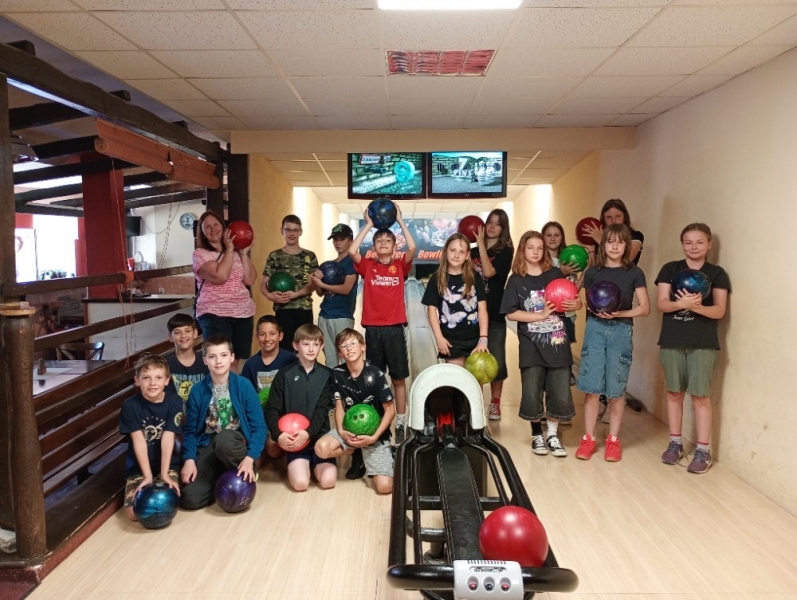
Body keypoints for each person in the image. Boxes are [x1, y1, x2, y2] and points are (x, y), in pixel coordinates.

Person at [655, 223, 730, 474]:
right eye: (688, 242)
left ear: (709, 244)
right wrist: (681, 304)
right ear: (682, 244)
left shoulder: (717, 273)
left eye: (699, 242)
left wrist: (695, 307)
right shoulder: (670, 269)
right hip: (672, 340)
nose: (694, 247)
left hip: (703, 343)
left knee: (700, 396)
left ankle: (703, 450)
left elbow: (719, 310)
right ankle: (675, 443)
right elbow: (662, 303)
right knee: (674, 393)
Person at [500, 231, 582, 458]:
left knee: (560, 392)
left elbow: (575, 300)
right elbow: (511, 313)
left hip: (558, 344)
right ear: (522, 250)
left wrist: (577, 305)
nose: (535, 252)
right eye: (530, 247)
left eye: (539, 247)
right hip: (531, 346)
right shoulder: (516, 280)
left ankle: (553, 435)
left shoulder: (555, 274)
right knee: (532, 393)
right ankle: (537, 434)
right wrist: (540, 315)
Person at [575, 224, 650, 462]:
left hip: (621, 330)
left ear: (626, 245)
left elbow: (644, 308)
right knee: (592, 390)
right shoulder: (593, 272)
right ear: (603, 245)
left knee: (616, 391)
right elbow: (586, 302)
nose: (615, 246)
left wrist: (619, 314)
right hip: (595, 329)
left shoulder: (634, 272)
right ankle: (588, 439)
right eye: (610, 241)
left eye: (620, 242)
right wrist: (594, 309)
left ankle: (613, 441)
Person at [349, 203, 416, 445]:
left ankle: (401, 420)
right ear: (374, 247)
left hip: (395, 329)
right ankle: (377, 417)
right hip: (373, 330)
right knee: (375, 378)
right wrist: (369, 224)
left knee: (398, 378)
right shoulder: (368, 266)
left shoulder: (400, 266)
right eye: (379, 241)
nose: (384, 242)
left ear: (394, 246)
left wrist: (399, 220)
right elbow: (352, 250)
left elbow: (412, 247)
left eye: (388, 240)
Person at [180, 334, 266, 509]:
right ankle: (220, 476)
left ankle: (245, 470)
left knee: (224, 439)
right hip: (209, 444)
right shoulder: (197, 391)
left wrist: (250, 458)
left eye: (223, 355)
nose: (218, 361)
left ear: (232, 357)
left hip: (234, 442)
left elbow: (259, 427)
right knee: (190, 498)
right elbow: (190, 431)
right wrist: (189, 459)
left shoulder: (244, 386)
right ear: (205, 360)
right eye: (212, 356)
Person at [315, 329, 395, 492]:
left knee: (385, 487)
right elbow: (339, 406)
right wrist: (342, 431)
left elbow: (390, 410)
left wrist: (374, 437)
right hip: (349, 429)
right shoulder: (337, 374)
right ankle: (357, 451)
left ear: (363, 347)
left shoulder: (376, 374)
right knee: (321, 449)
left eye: (353, 343)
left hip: (374, 433)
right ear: (340, 353)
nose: (349, 348)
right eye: (344, 346)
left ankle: (385, 453)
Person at [264, 324, 336, 492]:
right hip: (294, 440)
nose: (311, 349)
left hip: (319, 438)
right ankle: (302, 465)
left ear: (321, 346)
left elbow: (322, 410)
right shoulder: (284, 374)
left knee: (328, 482)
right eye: (305, 344)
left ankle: (316, 464)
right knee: (300, 484)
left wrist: (308, 433)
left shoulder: (327, 375)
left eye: (315, 344)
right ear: (296, 345)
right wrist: (278, 435)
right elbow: (272, 408)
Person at [120, 355, 183, 521]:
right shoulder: (130, 405)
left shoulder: (175, 401)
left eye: (159, 378)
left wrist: (164, 473)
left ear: (167, 380)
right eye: (146, 378)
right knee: (135, 514)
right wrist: (147, 476)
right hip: (139, 467)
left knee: (168, 504)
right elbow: (139, 442)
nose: (153, 383)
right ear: (137, 380)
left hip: (167, 465)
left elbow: (168, 438)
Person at [193, 210, 256, 370]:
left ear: (224, 227)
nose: (213, 229)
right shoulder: (201, 254)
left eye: (216, 224)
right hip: (215, 314)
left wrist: (244, 253)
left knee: (234, 361)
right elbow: (221, 276)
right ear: (202, 232)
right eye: (207, 227)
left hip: (243, 313)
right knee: (218, 361)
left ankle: (232, 387)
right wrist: (228, 250)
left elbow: (250, 280)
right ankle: (218, 387)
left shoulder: (236, 252)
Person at [471, 209, 514, 420]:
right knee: (474, 360)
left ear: (503, 228)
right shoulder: (471, 252)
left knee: (496, 360)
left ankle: (495, 403)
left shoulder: (506, 251)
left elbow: (488, 272)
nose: (492, 226)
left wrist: (480, 245)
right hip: (472, 315)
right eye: (490, 222)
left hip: (495, 313)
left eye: (497, 224)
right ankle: (476, 401)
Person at [422, 233, 489, 366]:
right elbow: (431, 311)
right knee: (457, 378)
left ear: (467, 255)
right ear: (445, 251)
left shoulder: (474, 277)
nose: (456, 255)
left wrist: (483, 338)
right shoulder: (437, 279)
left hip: (475, 339)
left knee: (475, 378)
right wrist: (439, 338)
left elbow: (482, 309)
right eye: (453, 250)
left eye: (461, 252)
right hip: (451, 341)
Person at [259, 215, 319, 351]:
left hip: (304, 309)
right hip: (283, 309)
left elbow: (313, 285)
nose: (292, 233)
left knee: (305, 347)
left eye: (295, 230)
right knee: (285, 349)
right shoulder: (274, 256)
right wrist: (270, 296)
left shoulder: (309, 256)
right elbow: (263, 284)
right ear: (282, 231)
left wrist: (296, 294)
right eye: (288, 230)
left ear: (300, 232)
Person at [311, 223, 359, 366]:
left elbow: (346, 289)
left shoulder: (352, 263)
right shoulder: (328, 264)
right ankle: (333, 382)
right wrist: (315, 281)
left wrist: (322, 284)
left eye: (342, 239)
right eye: (335, 239)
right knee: (330, 360)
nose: (337, 243)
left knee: (346, 358)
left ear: (350, 241)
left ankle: (347, 382)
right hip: (324, 315)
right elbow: (320, 293)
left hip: (342, 317)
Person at [542, 221, 582, 386]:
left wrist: (585, 273)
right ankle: (548, 383)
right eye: (548, 235)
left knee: (563, 350)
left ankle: (564, 378)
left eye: (556, 235)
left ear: (562, 237)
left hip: (567, 314)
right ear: (542, 238)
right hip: (548, 315)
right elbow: (541, 285)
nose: (553, 238)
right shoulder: (540, 260)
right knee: (549, 351)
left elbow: (574, 289)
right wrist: (560, 272)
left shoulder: (569, 259)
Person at [240, 315, 298, 415]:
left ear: (280, 336)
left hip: (285, 414)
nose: (267, 338)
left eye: (272, 334)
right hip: (260, 414)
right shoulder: (250, 364)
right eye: (262, 334)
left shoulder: (291, 360)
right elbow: (246, 395)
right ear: (257, 337)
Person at [581, 198, 645, 266]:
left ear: (624, 217)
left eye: (618, 216)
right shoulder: (599, 238)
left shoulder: (636, 236)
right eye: (609, 217)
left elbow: (626, 261)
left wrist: (601, 241)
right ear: (603, 219)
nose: (614, 221)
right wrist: (592, 250)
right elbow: (595, 270)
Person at [165, 313, 209, 405]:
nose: (183, 335)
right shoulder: (165, 364)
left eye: (187, 331)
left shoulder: (206, 361)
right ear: (170, 337)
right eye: (177, 332)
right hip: (173, 411)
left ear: (195, 333)